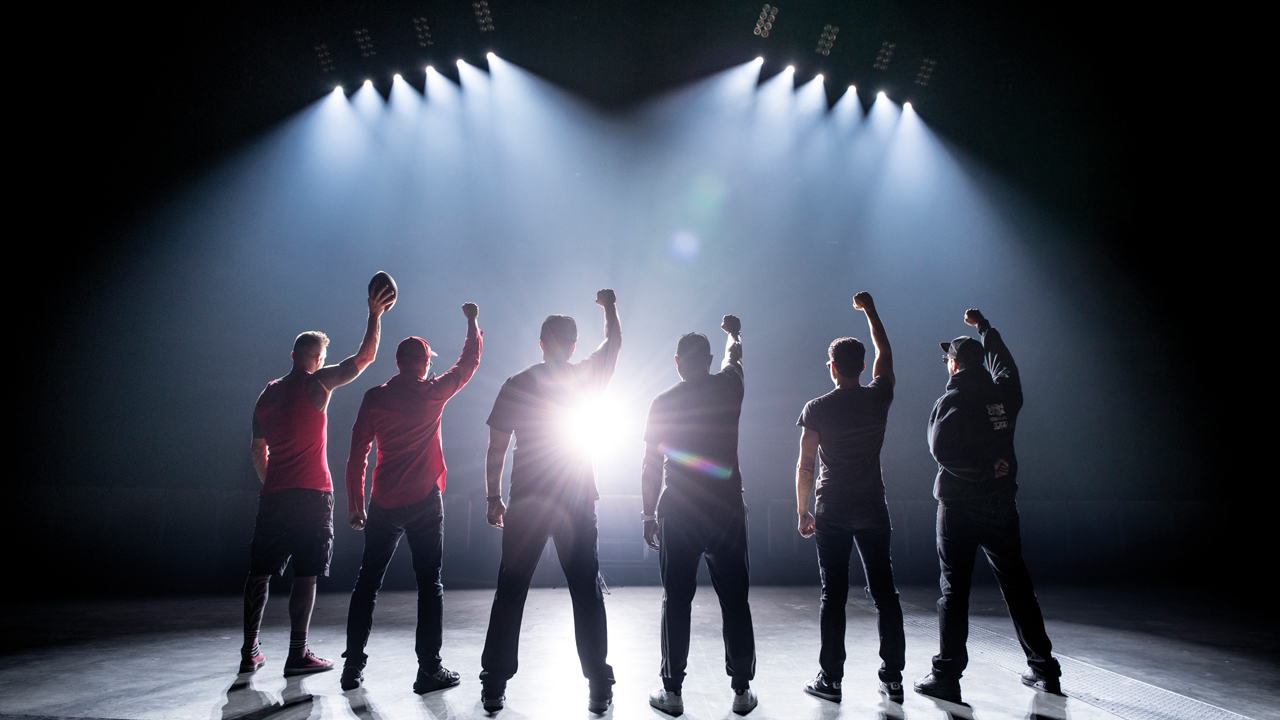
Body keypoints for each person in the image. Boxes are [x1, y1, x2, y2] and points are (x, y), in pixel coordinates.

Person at [240, 283, 395, 676]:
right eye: (321, 356)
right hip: (311, 495)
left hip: (274, 495)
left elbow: (257, 450)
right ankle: (297, 653)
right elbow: (365, 358)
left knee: (259, 572)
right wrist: (375, 315)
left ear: (292, 356)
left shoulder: (266, 394)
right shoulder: (316, 383)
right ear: (318, 358)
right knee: (306, 574)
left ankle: (249, 649)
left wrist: (271, 480)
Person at [478, 289, 622, 715]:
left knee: (511, 591)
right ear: (573, 345)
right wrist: (610, 308)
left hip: (528, 500)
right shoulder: (584, 376)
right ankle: (598, 686)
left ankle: (493, 686)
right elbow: (613, 345)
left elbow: (496, 450)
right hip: (575, 498)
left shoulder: (518, 383)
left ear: (540, 342)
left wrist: (492, 497)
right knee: (586, 590)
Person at [914, 308, 1062, 703]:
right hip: (1000, 506)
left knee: (954, 591)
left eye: (947, 358)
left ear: (955, 363)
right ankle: (1045, 671)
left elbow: (940, 450)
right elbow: (1005, 365)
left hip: (959, 509)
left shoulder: (952, 400)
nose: (946, 363)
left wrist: (980, 470)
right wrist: (985, 330)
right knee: (1017, 585)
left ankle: (946, 676)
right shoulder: (1004, 395)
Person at [340, 302, 483, 693]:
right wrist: (471, 322)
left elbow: (357, 453)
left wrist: (355, 505)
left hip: (383, 503)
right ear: (422, 364)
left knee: (367, 584)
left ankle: (352, 668)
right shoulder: (433, 393)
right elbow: (468, 363)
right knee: (429, 584)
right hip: (424, 502)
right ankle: (429, 670)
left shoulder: (374, 397)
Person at [641, 315, 758, 717]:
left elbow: (649, 465)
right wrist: (734, 334)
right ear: (708, 359)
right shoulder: (729, 386)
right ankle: (742, 693)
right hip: (725, 509)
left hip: (679, 510)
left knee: (676, 600)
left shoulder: (662, 402)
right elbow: (736, 356)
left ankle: (672, 693)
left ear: (677, 362)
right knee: (735, 601)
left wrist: (646, 515)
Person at [794, 292, 906, 704]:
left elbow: (806, 466)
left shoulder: (817, 408)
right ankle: (892, 679)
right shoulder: (879, 397)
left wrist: (803, 510)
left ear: (832, 368)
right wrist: (872, 311)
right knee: (885, 594)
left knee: (833, 596)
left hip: (832, 510)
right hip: (873, 508)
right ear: (862, 367)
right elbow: (886, 352)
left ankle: (831, 680)